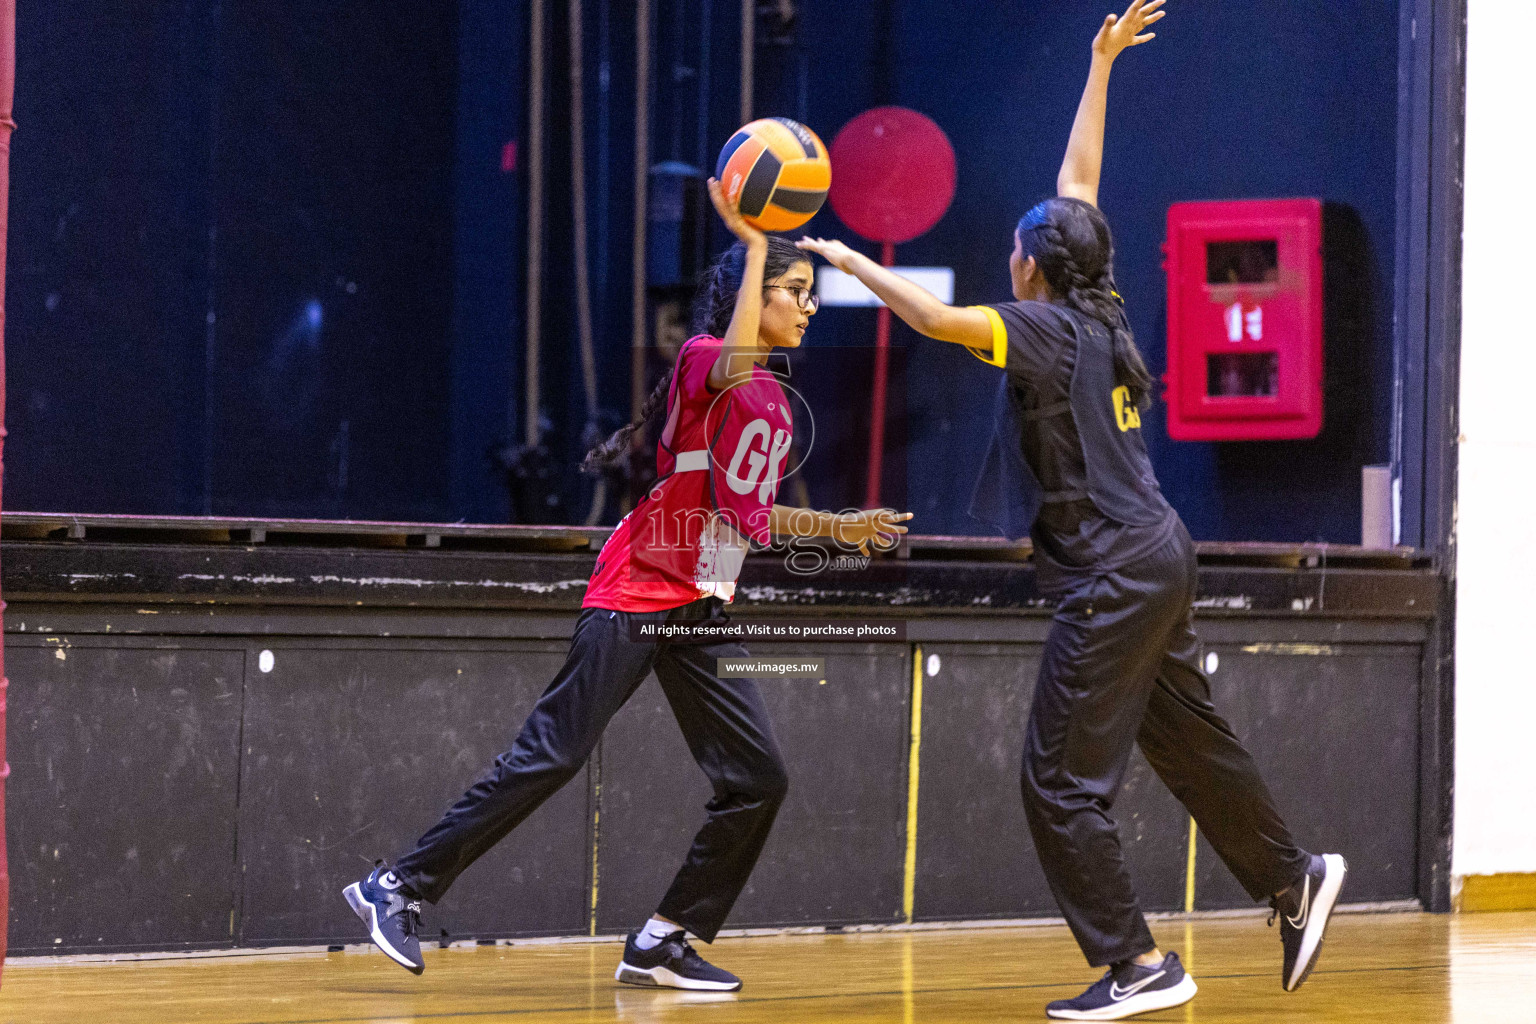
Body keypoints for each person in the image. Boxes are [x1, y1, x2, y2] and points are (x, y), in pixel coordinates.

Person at [797, 2, 1346, 1019]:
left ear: (1032, 267)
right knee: (1186, 744)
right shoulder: (1103, 302)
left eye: (1019, 249)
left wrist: (852, 262)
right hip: (1160, 551)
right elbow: (1079, 189)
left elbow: (934, 316)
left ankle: (1140, 964)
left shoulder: (1042, 325)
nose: (1015, 257)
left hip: (1114, 570)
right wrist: (1099, 68)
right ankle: (1292, 877)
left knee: (1056, 781)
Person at [345, 177, 912, 991]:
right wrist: (756, 245)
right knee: (552, 757)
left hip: (700, 607)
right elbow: (735, 356)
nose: (810, 307)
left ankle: (661, 940)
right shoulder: (704, 361)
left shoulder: (777, 407)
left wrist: (837, 528)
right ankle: (394, 885)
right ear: (752, 296)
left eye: (809, 295)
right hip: (636, 591)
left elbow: (744, 521)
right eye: (798, 292)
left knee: (759, 780)